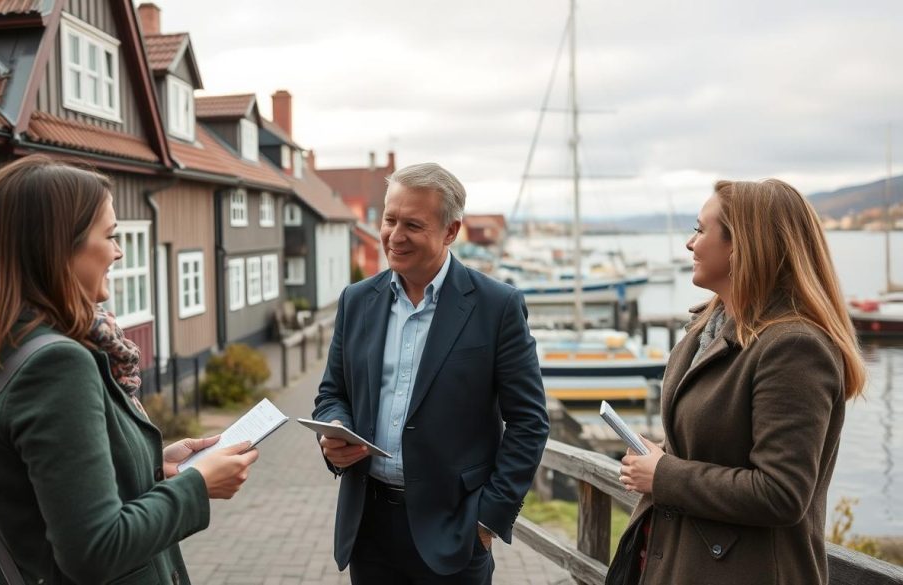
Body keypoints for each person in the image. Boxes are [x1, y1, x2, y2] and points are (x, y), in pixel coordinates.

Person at [0, 155, 259, 584]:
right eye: (110, 235)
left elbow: (26, 490)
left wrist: (149, 465)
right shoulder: (56, 363)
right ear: (57, 246)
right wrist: (197, 486)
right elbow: (95, 550)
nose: (119, 250)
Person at [609, 179, 866, 585]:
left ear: (742, 245)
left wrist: (664, 475)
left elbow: (781, 492)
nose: (689, 245)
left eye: (699, 230)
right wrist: (660, 458)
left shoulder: (794, 347)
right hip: (683, 563)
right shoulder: (708, 327)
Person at [312, 162, 550, 584]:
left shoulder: (497, 307)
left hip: (456, 534)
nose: (394, 235)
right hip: (366, 528)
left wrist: (488, 519)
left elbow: (529, 423)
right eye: (389, 219)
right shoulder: (356, 300)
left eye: (413, 225)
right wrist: (335, 431)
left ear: (450, 231)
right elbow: (333, 393)